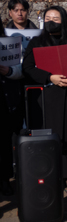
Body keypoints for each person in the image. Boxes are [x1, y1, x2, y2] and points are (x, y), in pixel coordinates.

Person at [22, 6, 67, 190]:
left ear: (63, 21)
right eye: (48, 17)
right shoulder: (37, 42)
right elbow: (28, 67)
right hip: (45, 96)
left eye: (56, 18)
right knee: (49, 135)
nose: (51, 21)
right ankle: (48, 173)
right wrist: (50, 77)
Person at [0, 18, 24, 196]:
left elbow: (20, 69)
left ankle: (5, 180)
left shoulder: (8, 44)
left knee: (5, 144)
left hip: (7, 100)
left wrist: (9, 71)